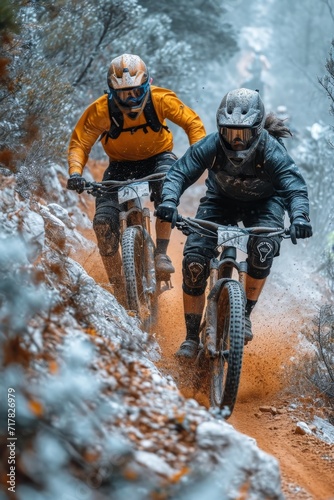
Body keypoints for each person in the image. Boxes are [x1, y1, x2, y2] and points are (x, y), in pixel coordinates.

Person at [156, 88, 313, 358]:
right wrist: (169, 201)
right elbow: (180, 172)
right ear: (220, 129)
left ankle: (245, 315)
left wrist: (300, 216)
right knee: (194, 260)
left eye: (243, 134)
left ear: (257, 130)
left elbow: (293, 187)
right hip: (220, 200)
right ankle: (191, 337)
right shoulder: (210, 145)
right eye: (230, 133)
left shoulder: (271, 151)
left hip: (265, 203)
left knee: (263, 248)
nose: (237, 141)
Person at [66, 54, 206, 301]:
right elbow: (80, 142)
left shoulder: (160, 98)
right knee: (103, 223)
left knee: (167, 194)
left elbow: (192, 123)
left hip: (158, 158)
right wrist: (75, 172)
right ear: (111, 91)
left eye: (134, 92)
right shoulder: (100, 110)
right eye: (121, 94)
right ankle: (117, 284)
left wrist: (199, 156)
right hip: (120, 167)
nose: (128, 99)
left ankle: (161, 252)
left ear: (145, 85)